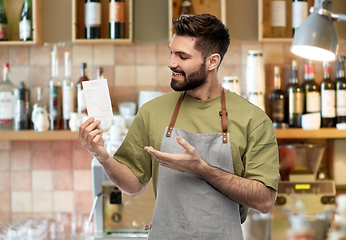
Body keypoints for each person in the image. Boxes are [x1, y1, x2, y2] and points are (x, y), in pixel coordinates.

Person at [79, 13, 279, 240]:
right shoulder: (152, 111)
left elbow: (264, 201)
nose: (171, 62)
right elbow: (134, 185)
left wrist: (202, 170)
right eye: (171, 52)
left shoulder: (253, 120)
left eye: (182, 56)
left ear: (212, 61)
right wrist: (102, 155)